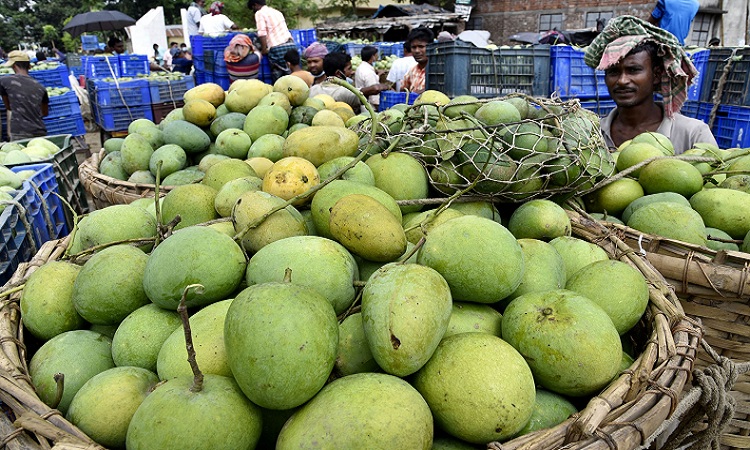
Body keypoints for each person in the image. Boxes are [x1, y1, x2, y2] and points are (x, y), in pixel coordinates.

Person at [584, 15, 717, 155]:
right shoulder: (590, 135)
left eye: (633, 70)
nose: (622, 80)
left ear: (657, 75)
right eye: (613, 72)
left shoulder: (693, 135)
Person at [0, 51, 49, 140]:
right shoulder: (40, 87)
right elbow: (45, 113)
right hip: (40, 131)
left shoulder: (5, 81)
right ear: (29, 66)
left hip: (20, 132)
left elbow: (9, 107)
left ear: (14, 66)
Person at [247, 0, 297, 82]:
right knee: (292, 75)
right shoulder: (277, 12)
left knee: (279, 78)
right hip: (291, 45)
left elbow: (262, 33)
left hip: (277, 48)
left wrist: (264, 50)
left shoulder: (260, 13)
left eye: (253, 8)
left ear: (255, 5)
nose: (253, 10)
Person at [354, 45, 389, 111]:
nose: (377, 56)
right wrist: (379, 109)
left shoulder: (360, 68)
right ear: (372, 57)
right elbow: (374, 97)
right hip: (370, 108)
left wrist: (378, 74)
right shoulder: (369, 73)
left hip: (363, 105)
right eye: (376, 55)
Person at [401, 27, 434, 94]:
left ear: (431, 47)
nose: (417, 51)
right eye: (413, 47)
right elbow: (403, 91)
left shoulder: (438, 71)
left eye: (421, 46)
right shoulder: (412, 71)